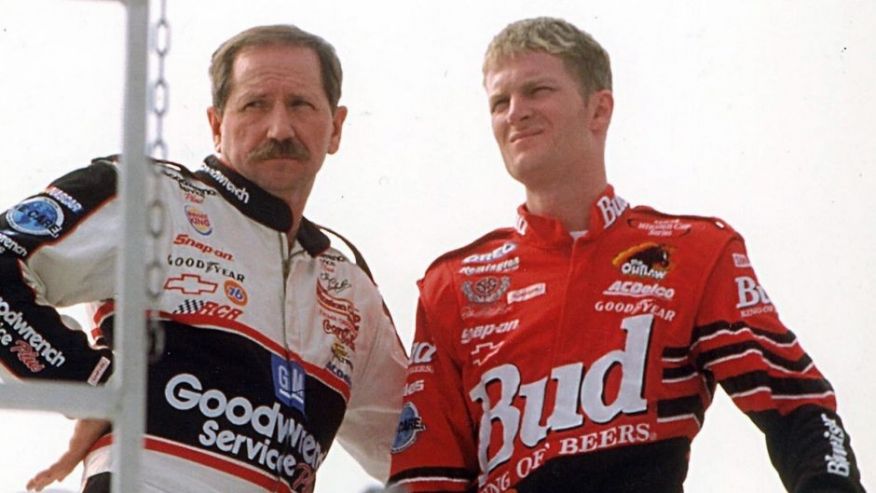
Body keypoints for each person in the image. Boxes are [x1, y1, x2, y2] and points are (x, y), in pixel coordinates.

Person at [387, 17, 865, 493]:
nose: (515, 112)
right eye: (499, 102)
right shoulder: (453, 285)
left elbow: (798, 408)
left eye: (537, 91)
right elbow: (427, 475)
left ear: (599, 111)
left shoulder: (696, 251)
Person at [1, 24, 407, 492]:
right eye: (255, 105)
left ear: (335, 128)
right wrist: (88, 382)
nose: (279, 129)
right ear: (216, 124)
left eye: (301, 105)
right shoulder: (153, 197)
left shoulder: (351, 290)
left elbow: (416, 447)